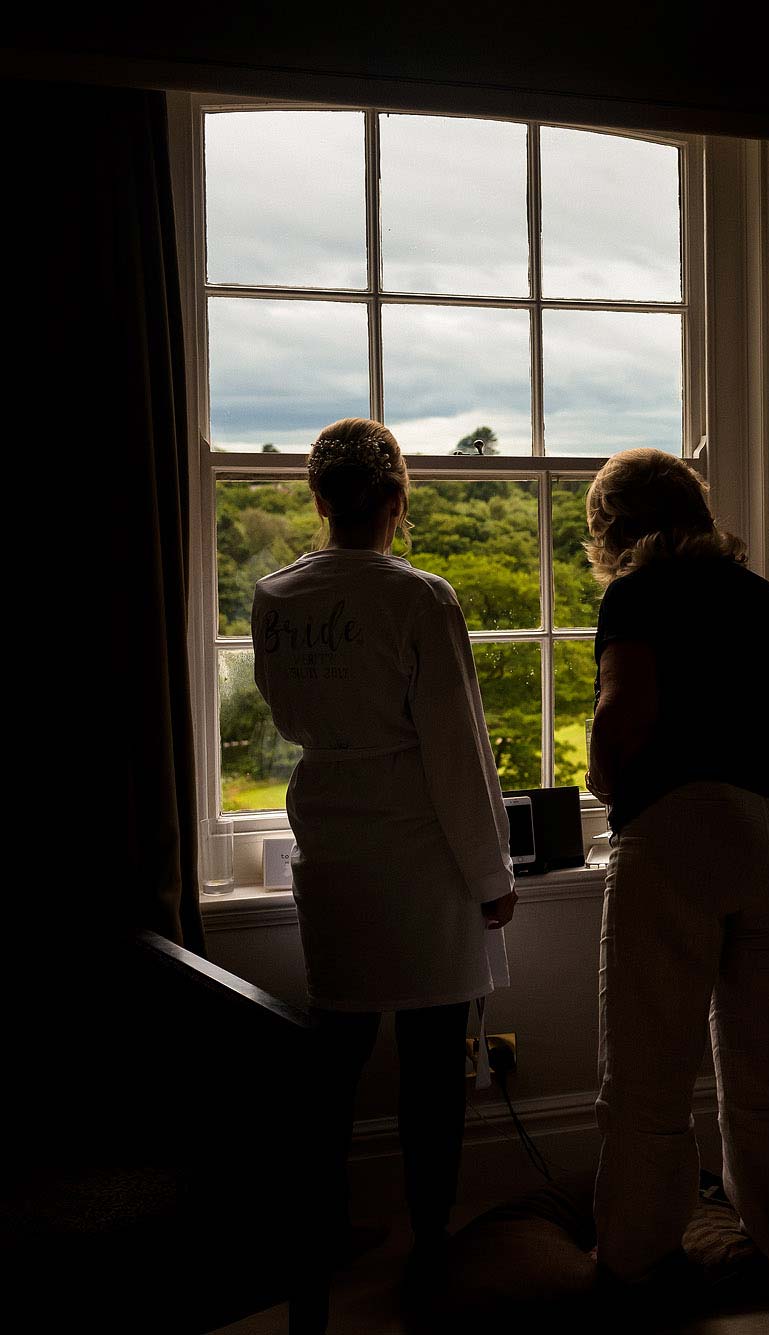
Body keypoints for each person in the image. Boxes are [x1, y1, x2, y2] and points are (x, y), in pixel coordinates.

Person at [252, 418, 516, 1269]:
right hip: (421, 849)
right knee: (433, 1065)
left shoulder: (275, 596)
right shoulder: (420, 597)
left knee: (336, 1052)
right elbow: (458, 752)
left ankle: (315, 1225)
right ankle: (431, 1236)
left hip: (329, 841)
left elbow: (293, 718)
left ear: (320, 500)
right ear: (399, 500)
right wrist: (491, 874)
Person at [583, 448, 769, 1294]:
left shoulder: (637, 594)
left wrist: (601, 773)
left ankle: (636, 1255)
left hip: (687, 825)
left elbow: (625, 714)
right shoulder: (760, 597)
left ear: (614, 528)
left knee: (648, 1069)